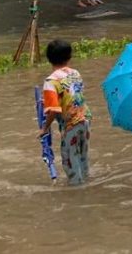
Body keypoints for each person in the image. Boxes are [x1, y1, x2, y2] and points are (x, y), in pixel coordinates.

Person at [38, 40, 91, 185]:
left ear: (49, 58)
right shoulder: (75, 73)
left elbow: (54, 111)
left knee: (69, 159)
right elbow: (73, 95)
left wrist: (45, 128)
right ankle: (86, 179)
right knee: (83, 155)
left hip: (70, 125)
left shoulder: (50, 81)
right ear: (69, 57)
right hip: (85, 119)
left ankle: (77, 189)